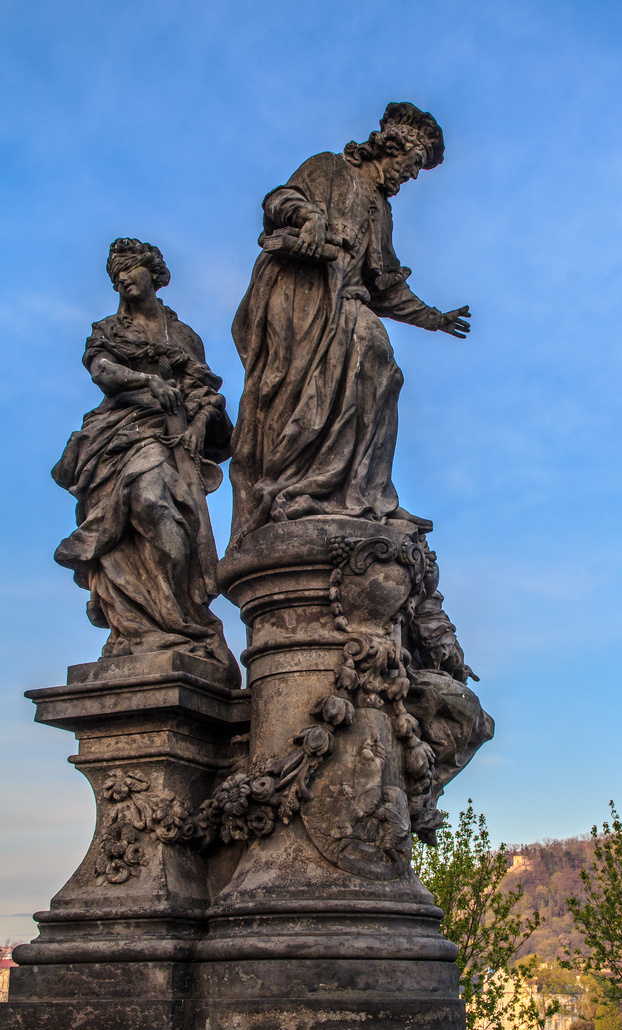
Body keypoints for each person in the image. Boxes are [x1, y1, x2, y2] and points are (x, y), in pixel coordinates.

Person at [228, 102, 471, 543]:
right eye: (412, 164)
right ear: (390, 148)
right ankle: (296, 485)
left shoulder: (382, 211)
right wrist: (308, 217)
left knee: (381, 369)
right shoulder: (330, 168)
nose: (410, 176)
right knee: (303, 399)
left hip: (349, 304)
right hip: (304, 300)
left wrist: (435, 318)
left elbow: (386, 288)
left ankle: (364, 493)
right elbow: (279, 199)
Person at [53, 238, 239, 684]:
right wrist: (146, 382)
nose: (121, 279)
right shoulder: (109, 331)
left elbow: (204, 393)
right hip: (123, 435)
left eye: (129, 269)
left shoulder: (184, 337)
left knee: (177, 533)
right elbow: (102, 371)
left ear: (153, 274)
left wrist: (196, 428)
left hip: (175, 439)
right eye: (115, 274)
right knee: (147, 502)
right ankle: (146, 626)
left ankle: (177, 620)